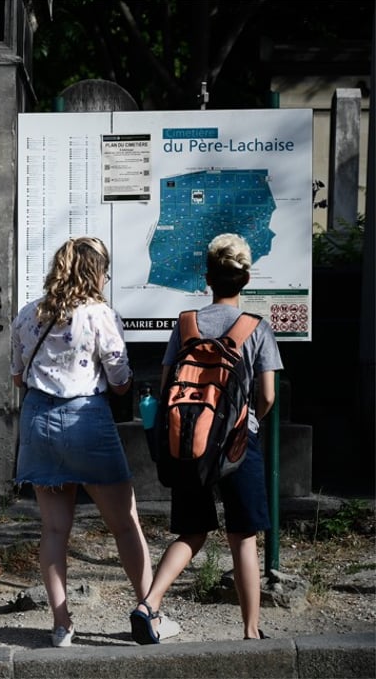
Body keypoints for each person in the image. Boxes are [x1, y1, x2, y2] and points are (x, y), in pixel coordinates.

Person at [11, 236, 174, 648]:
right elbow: (120, 382)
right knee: (124, 523)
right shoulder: (100, 314)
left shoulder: (28, 315)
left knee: (53, 529)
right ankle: (148, 613)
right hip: (86, 422)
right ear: (95, 272)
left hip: (38, 422)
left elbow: (17, 377)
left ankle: (62, 624)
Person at [130, 233, 283, 644]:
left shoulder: (186, 326)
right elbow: (267, 395)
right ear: (246, 279)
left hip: (188, 444)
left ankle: (149, 604)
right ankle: (251, 630)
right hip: (238, 443)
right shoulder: (256, 328)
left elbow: (166, 389)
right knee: (243, 537)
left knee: (192, 532)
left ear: (207, 278)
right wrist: (248, 420)